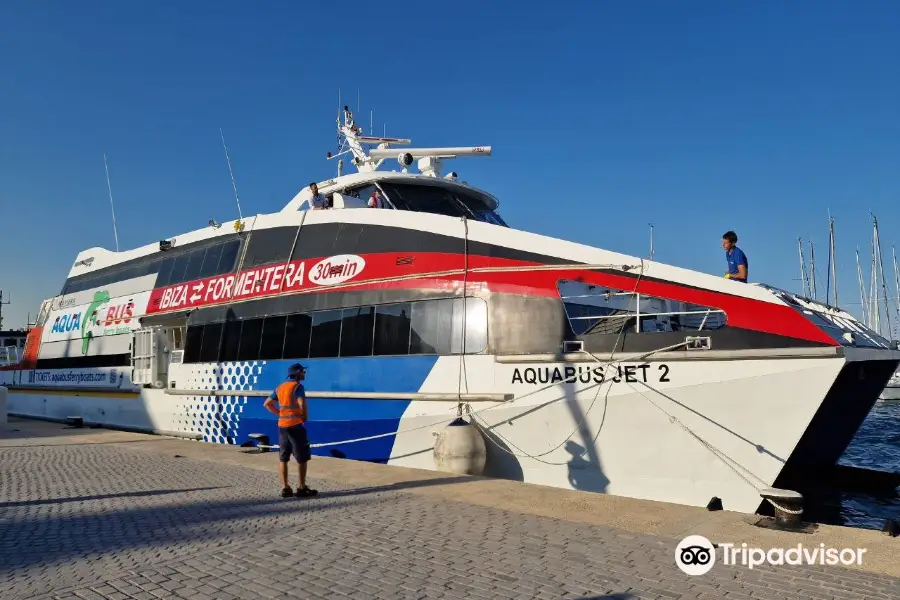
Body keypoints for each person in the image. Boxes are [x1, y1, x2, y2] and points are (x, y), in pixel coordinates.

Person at [263, 363, 318, 498]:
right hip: (295, 426)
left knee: (283, 458)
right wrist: (304, 417)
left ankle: (285, 488)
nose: (305, 373)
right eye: (303, 371)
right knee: (302, 458)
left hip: (282, 426)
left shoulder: (280, 387)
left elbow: (267, 404)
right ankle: (301, 488)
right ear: (298, 373)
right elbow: (301, 404)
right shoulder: (298, 387)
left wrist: (280, 413)